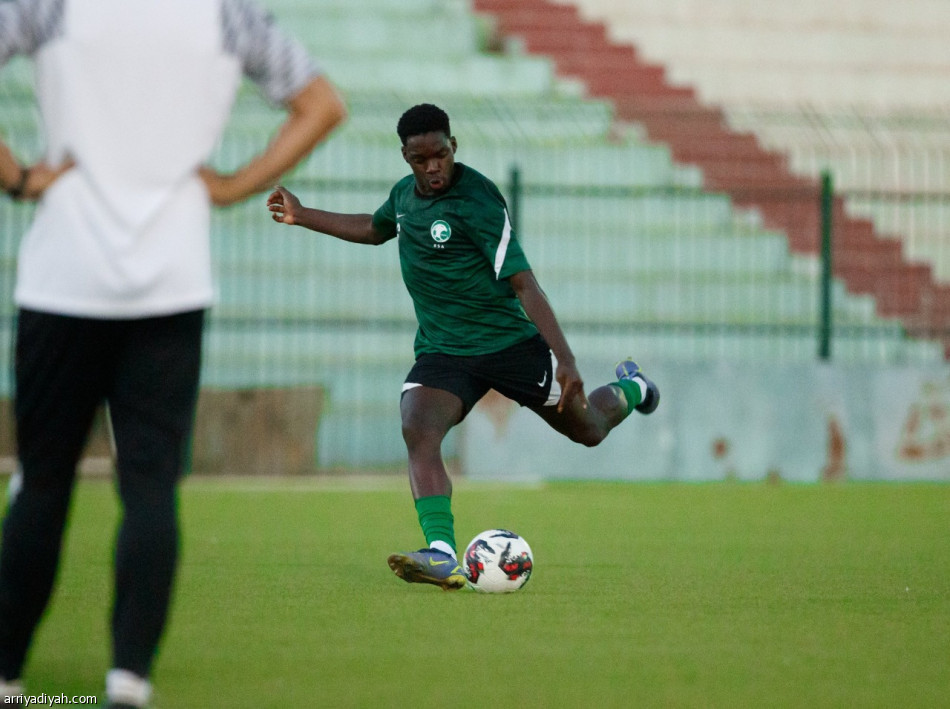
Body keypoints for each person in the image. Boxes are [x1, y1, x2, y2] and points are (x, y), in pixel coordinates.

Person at [0, 0, 346, 706]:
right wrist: (229, 188)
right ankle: (129, 676)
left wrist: (18, 177)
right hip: (171, 277)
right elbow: (321, 105)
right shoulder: (227, 13)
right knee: (151, 485)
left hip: (66, 274)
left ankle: (6, 673)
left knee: (43, 481)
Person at [267, 103, 658, 592]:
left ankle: (632, 386)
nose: (432, 167)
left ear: (454, 146)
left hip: (509, 347)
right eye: (419, 158)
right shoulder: (404, 198)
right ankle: (441, 553)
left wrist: (566, 358)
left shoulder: (479, 200)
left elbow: (525, 284)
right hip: (444, 352)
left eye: (440, 154)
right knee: (417, 425)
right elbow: (374, 228)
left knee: (589, 430)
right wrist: (302, 215)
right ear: (406, 156)